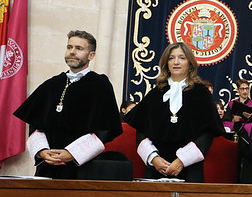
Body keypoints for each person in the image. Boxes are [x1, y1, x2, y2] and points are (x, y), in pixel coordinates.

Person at [13, 30, 122, 179]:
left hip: (82, 167)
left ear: (91, 55)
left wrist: (72, 153)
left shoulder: (100, 85)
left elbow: (107, 129)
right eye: (69, 47)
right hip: (48, 166)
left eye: (79, 48)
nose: (72, 52)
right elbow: (35, 124)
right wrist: (42, 152)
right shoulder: (51, 84)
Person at [126, 42, 224, 182]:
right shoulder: (155, 94)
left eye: (182, 58)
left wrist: (182, 160)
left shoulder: (201, 94)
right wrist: (154, 159)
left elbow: (208, 133)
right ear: (166, 63)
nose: (176, 62)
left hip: (190, 168)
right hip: (157, 167)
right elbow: (142, 130)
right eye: (171, 58)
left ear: (190, 64)